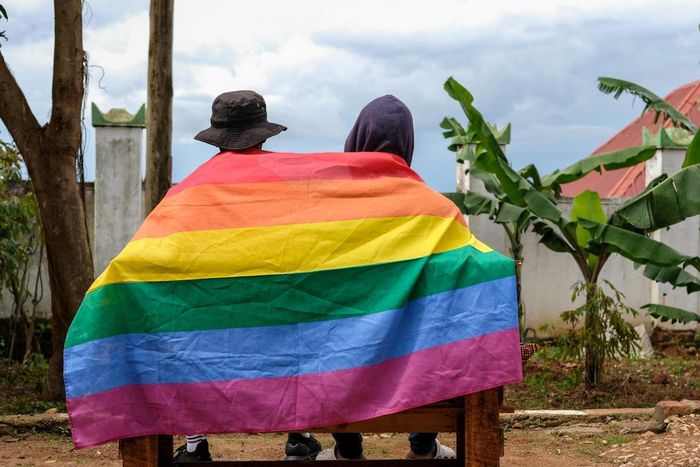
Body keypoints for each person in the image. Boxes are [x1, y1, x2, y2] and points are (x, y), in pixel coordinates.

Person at [173, 90, 322, 462]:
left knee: (182, 333)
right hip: (278, 314)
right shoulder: (288, 186)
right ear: (264, 135)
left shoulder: (192, 190)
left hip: (212, 319)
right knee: (299, 321)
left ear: (217, 137)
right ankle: (299, 435)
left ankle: (195, 445)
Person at [314, 95, 456, 461]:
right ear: (408, 144)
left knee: (323, 330)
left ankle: (347, 449)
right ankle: (423, 447)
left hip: (346, 355)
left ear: (357, 138)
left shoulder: (330, 207)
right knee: (444, 327)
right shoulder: (438, 210)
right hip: (413, 357)